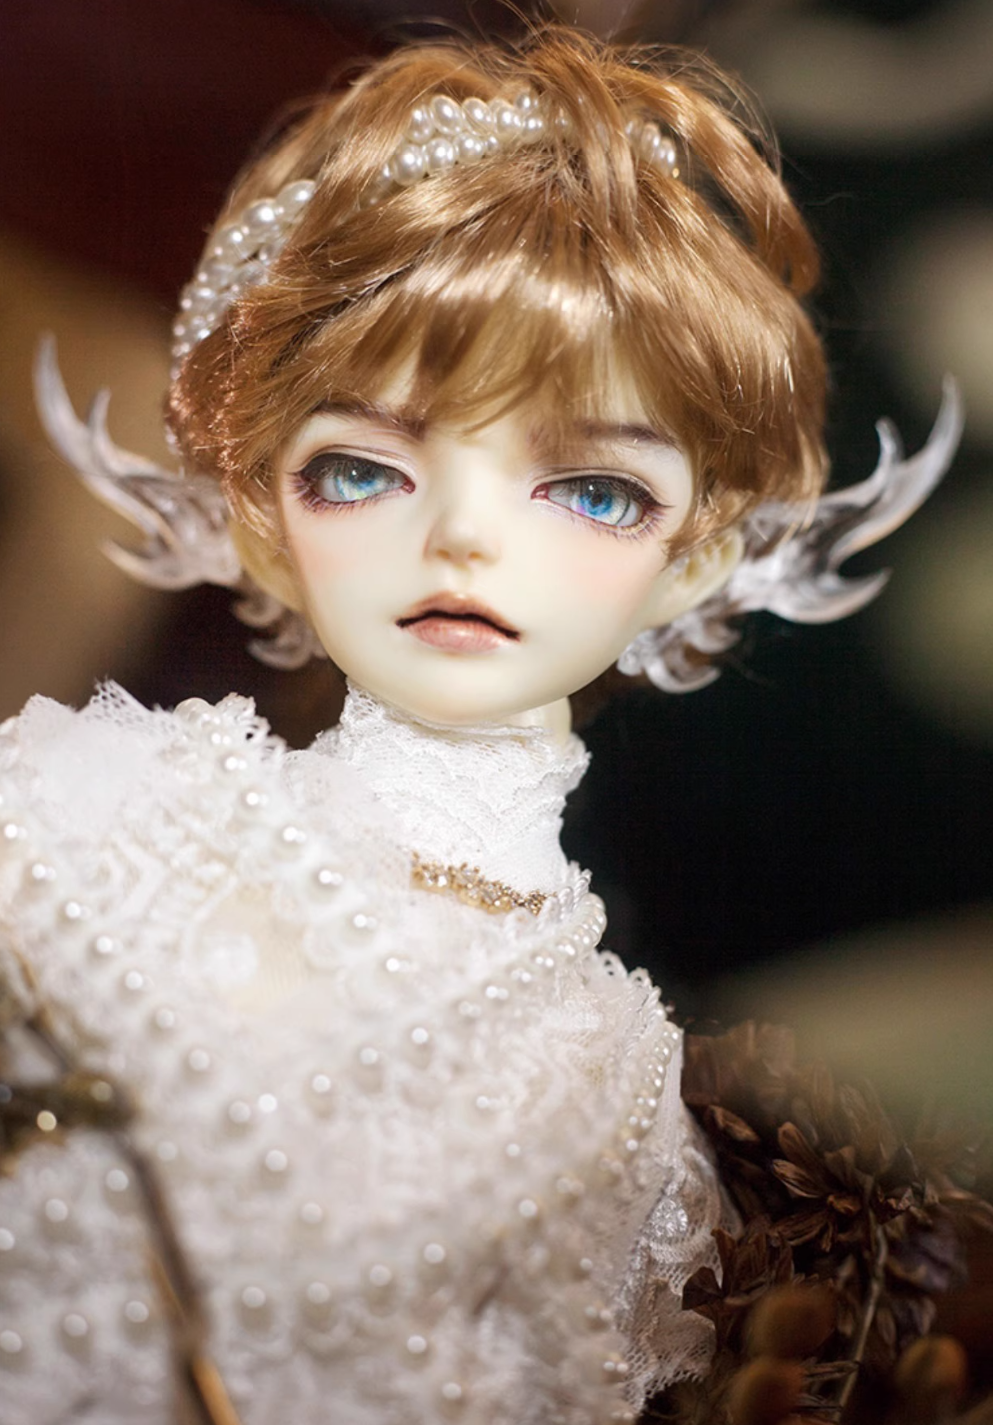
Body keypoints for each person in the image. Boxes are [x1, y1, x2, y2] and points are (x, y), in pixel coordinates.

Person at [0, 28, 960, 1425]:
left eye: (593, 491)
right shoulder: (86, 818)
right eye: (359, 470)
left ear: (698, 559)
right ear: (260, 519)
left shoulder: (622, 1095)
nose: (461, 536)